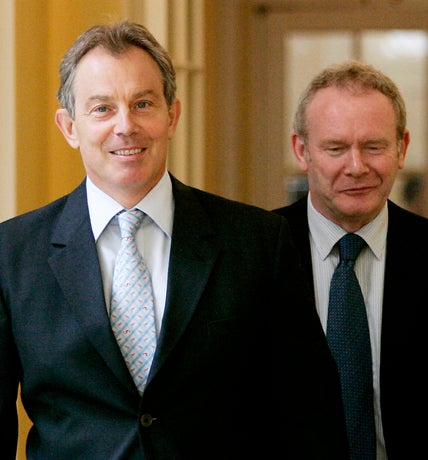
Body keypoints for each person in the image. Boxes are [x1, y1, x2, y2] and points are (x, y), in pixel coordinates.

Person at [0, 21, 349, 459]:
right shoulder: (12, 254)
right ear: (69, 126)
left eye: (142, 103)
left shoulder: (258, 243)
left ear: (172, 116)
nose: (125, 126)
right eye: (102, 109)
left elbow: (310, 417)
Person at [273, 60, 428, 459]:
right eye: (336, 148)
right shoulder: (254, 251)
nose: (357, 167)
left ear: (402, 148)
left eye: (374, 146)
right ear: (301, 150)